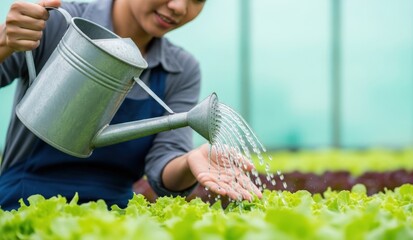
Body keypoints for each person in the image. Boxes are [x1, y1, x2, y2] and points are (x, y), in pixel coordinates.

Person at [0, 0, 262, 210]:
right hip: (22, 204)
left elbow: (163, 169)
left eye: (197, 0)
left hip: (114, 214)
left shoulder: (179, 69)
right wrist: (3, 44)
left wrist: (190, 161)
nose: (180, 7)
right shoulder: (60, 24)